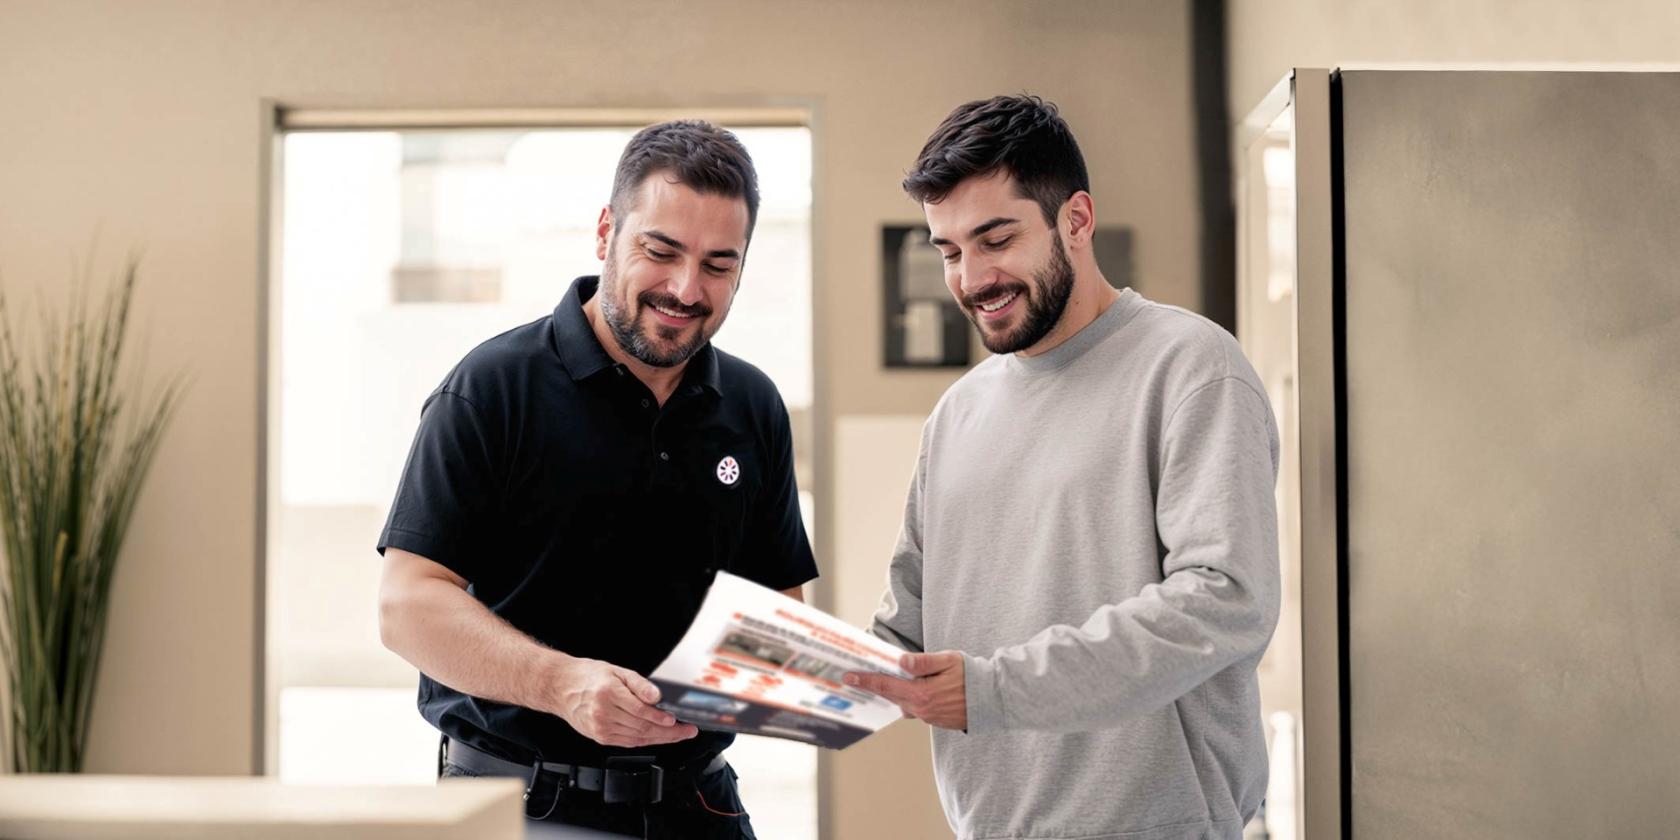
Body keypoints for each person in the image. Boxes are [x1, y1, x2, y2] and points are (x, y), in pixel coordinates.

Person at [846, 95, 1281, 840]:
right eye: (949, 251)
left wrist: (990, 690)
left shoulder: (1191, 368)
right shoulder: (957, 414)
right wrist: (790, 681)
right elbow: (907, 628)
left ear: (1075, 221)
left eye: (996, 239)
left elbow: (1226, 599)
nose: (971, 277)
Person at [376, 119, 815, 840]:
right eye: (661, 251)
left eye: (717, 264)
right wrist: (563, 685)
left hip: (699, 806)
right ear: (607, 230)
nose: (685, 287)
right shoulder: (492, 389)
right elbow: (406, 605)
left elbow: (777, 602)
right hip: (521, 806)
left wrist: (826, 678)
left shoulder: (753, 405)